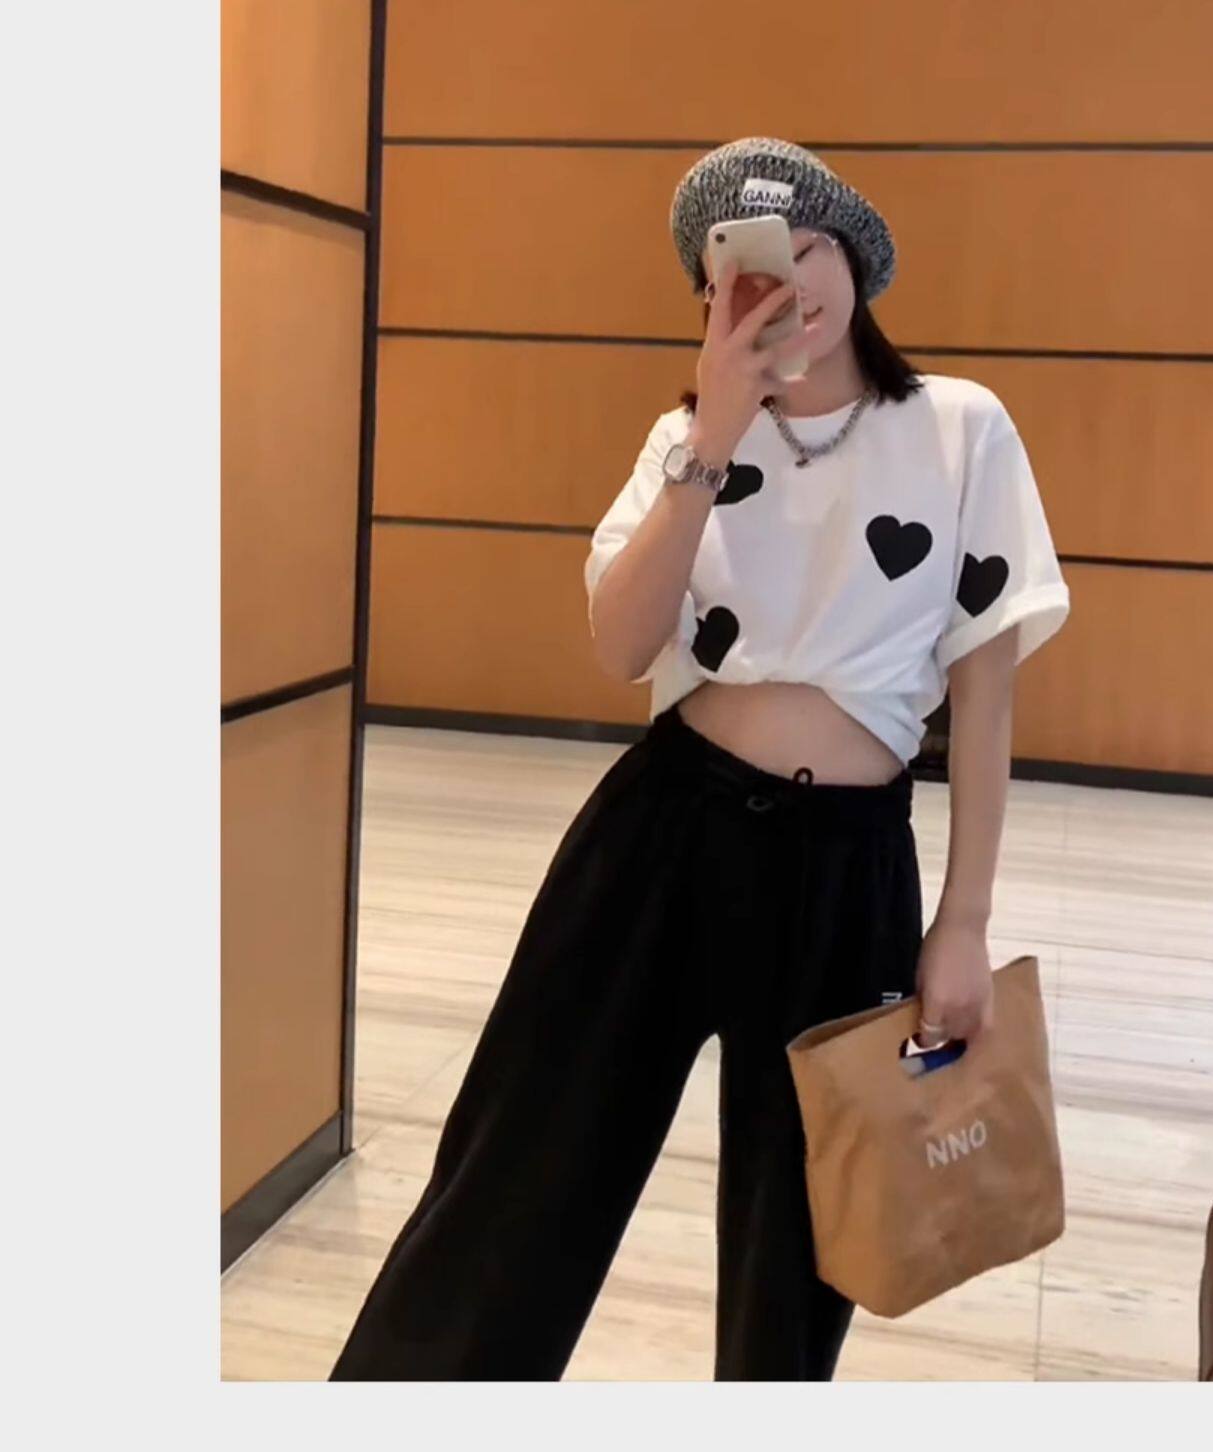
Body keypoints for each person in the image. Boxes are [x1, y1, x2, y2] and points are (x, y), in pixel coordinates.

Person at [329, 137, 1070, 1382]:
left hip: (845, 868)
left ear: (857, 260)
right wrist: (711, 442)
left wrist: (964, 922)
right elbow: (622, 646)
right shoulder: (683, 440)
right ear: (712, 301)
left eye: (807, 249)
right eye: (743, 271)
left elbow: (987, 694)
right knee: (520, 1173)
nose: (786, 288)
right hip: (664, 837)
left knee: (799, 1240)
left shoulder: (958, 430)